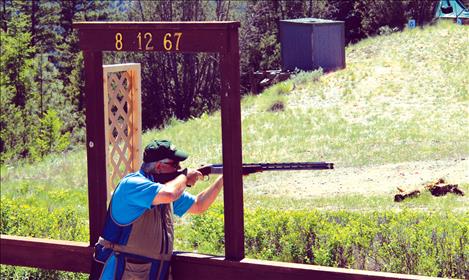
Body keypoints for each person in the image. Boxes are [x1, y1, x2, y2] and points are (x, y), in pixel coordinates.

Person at [94, 139, 224, 280]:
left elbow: (199, 205)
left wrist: (225, 178)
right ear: (159, 166)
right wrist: (184, 178)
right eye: (175, 164)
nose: (179, 167)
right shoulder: (132, 185)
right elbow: (170, 194)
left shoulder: (161, 189)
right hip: (119, 272)